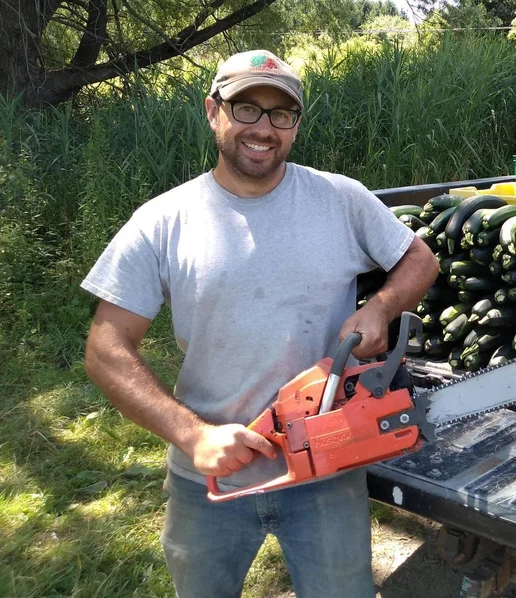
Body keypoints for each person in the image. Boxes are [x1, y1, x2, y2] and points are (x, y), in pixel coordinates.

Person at [81, 49, 439, 598]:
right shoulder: (163, 221)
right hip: (211, 476)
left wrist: (380, 308)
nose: (263, 129)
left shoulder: (340, 199)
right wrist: (192, 434)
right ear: (213, 111)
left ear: (295, 124)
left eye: (281, 114)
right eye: (247, 108)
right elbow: (107, 348)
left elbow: (420, 259)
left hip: (329, 463)